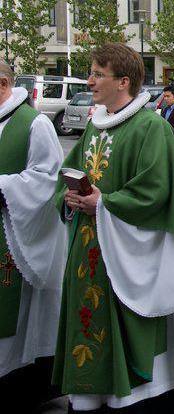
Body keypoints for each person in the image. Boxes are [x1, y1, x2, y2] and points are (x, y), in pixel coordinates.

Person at [54, 43, 174, 412]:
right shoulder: (95, 127)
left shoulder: (151, 128)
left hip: (130, 253)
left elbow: (156, 193)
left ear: (124, 81)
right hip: (90, 250)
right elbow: (65, 176)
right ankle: (90, 394)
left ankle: (132, 394)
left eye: (98, 73)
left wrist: (104, 203)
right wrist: (69, 199)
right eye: (92, 72)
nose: (90, 80)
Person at [0, 62, 65, 406]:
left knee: (20, 314)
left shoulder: (34, 123)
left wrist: (4, 187)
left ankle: (22, 383)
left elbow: (47, 178)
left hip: (17, 238)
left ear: (4, 83)